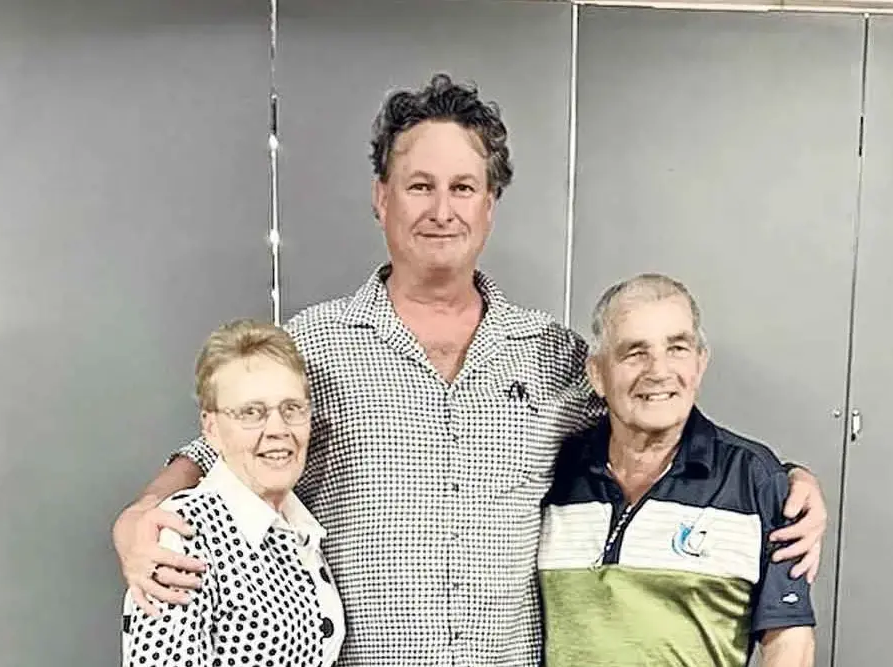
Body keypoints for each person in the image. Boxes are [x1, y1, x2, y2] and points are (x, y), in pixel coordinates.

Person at [111, 74, 828, 667]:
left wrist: (788, 480)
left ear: (490, 205)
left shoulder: (549, 353)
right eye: (419, 185)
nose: (441, 209)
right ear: (380, 198)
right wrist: (142, 514)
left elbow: (653, 415)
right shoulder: (316, 344)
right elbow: (220, 451)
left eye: (463, 187)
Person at [539, 273, 815, 667]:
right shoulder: (553, 470)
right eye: (635, 352)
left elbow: (790, 644)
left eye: (677, 348)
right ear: (597, 373)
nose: (658, 371)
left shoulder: (756, 480)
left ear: (700, 364)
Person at [121, 319, 345, 667]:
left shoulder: (300, 531)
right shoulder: (186, 533)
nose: (277, 429)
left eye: (292, 409)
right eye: (251, 413)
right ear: (211, 429)